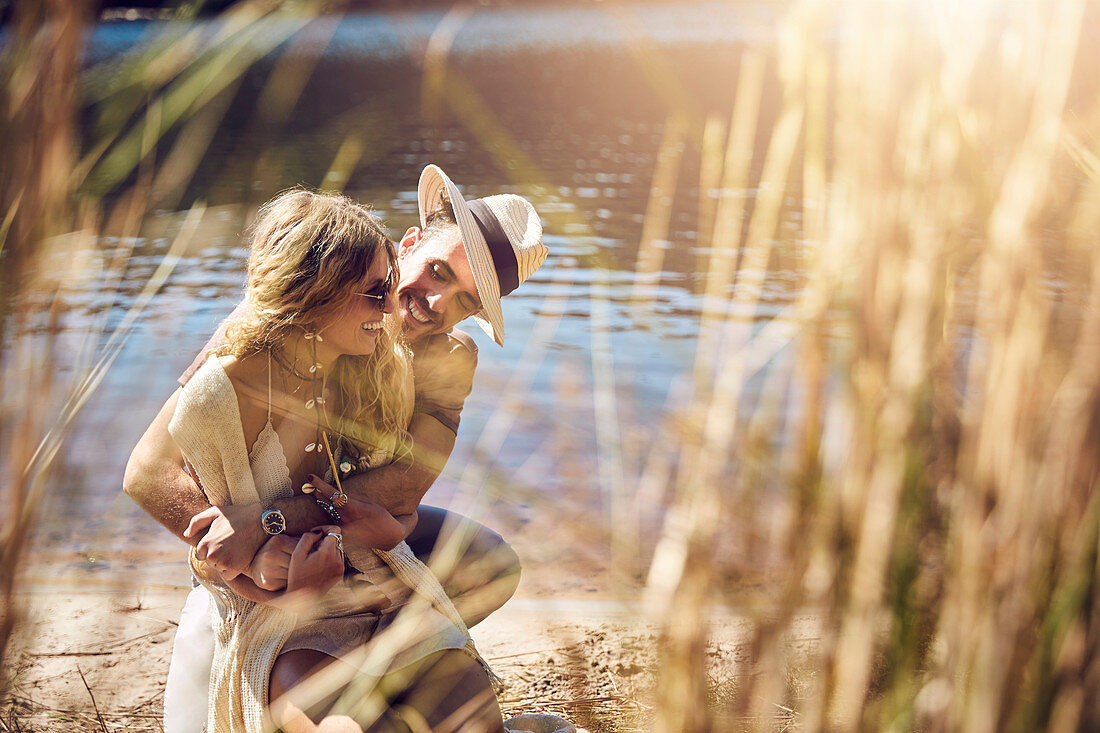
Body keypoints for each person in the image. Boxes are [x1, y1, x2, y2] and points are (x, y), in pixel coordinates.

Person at [124, 166, 549, 730]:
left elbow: (404, 484)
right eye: (438, 271)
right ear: (411, 242)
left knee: (490, 564)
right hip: (284, 550)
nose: (436, 301)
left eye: (465, 299)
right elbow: (151, 467)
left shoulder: (449, 359)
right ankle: (320, 676)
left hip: (345, 530)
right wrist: (246, 552)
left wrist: (269, 520)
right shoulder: (271, 327)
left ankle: (389, 666)